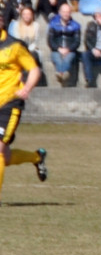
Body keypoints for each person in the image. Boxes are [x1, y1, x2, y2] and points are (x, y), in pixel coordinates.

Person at [0, 26, 48, 198]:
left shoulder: (14, 46)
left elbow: (34, 70)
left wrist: (27, 88)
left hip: (9, 104)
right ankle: (37, 158)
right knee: (4, 158)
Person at [9, 6, 47, 87]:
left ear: (32, 15)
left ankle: (32, 78)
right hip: (19, 49)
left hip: (32, 49)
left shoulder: (36, 25)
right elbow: (16, 40)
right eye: (25, 14)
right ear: (21, 15)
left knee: (34, 55)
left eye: (29, 14)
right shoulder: (16, 25)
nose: (27, 16)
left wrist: (30, 49)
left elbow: (36, 40)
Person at [46, 2, 80, 87]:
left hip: (70, 50)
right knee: (57, 58)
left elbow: (77, 41)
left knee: (67, 59)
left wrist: (68, 49)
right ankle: (63, 74)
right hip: (56, 49)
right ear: (60, 12)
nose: (65, 14)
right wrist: (58, 48)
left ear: (70, 13)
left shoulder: (75, 25)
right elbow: (50, 41)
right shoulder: (53, 24)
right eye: (64, 12)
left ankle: (60, 73)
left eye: (67, 12)